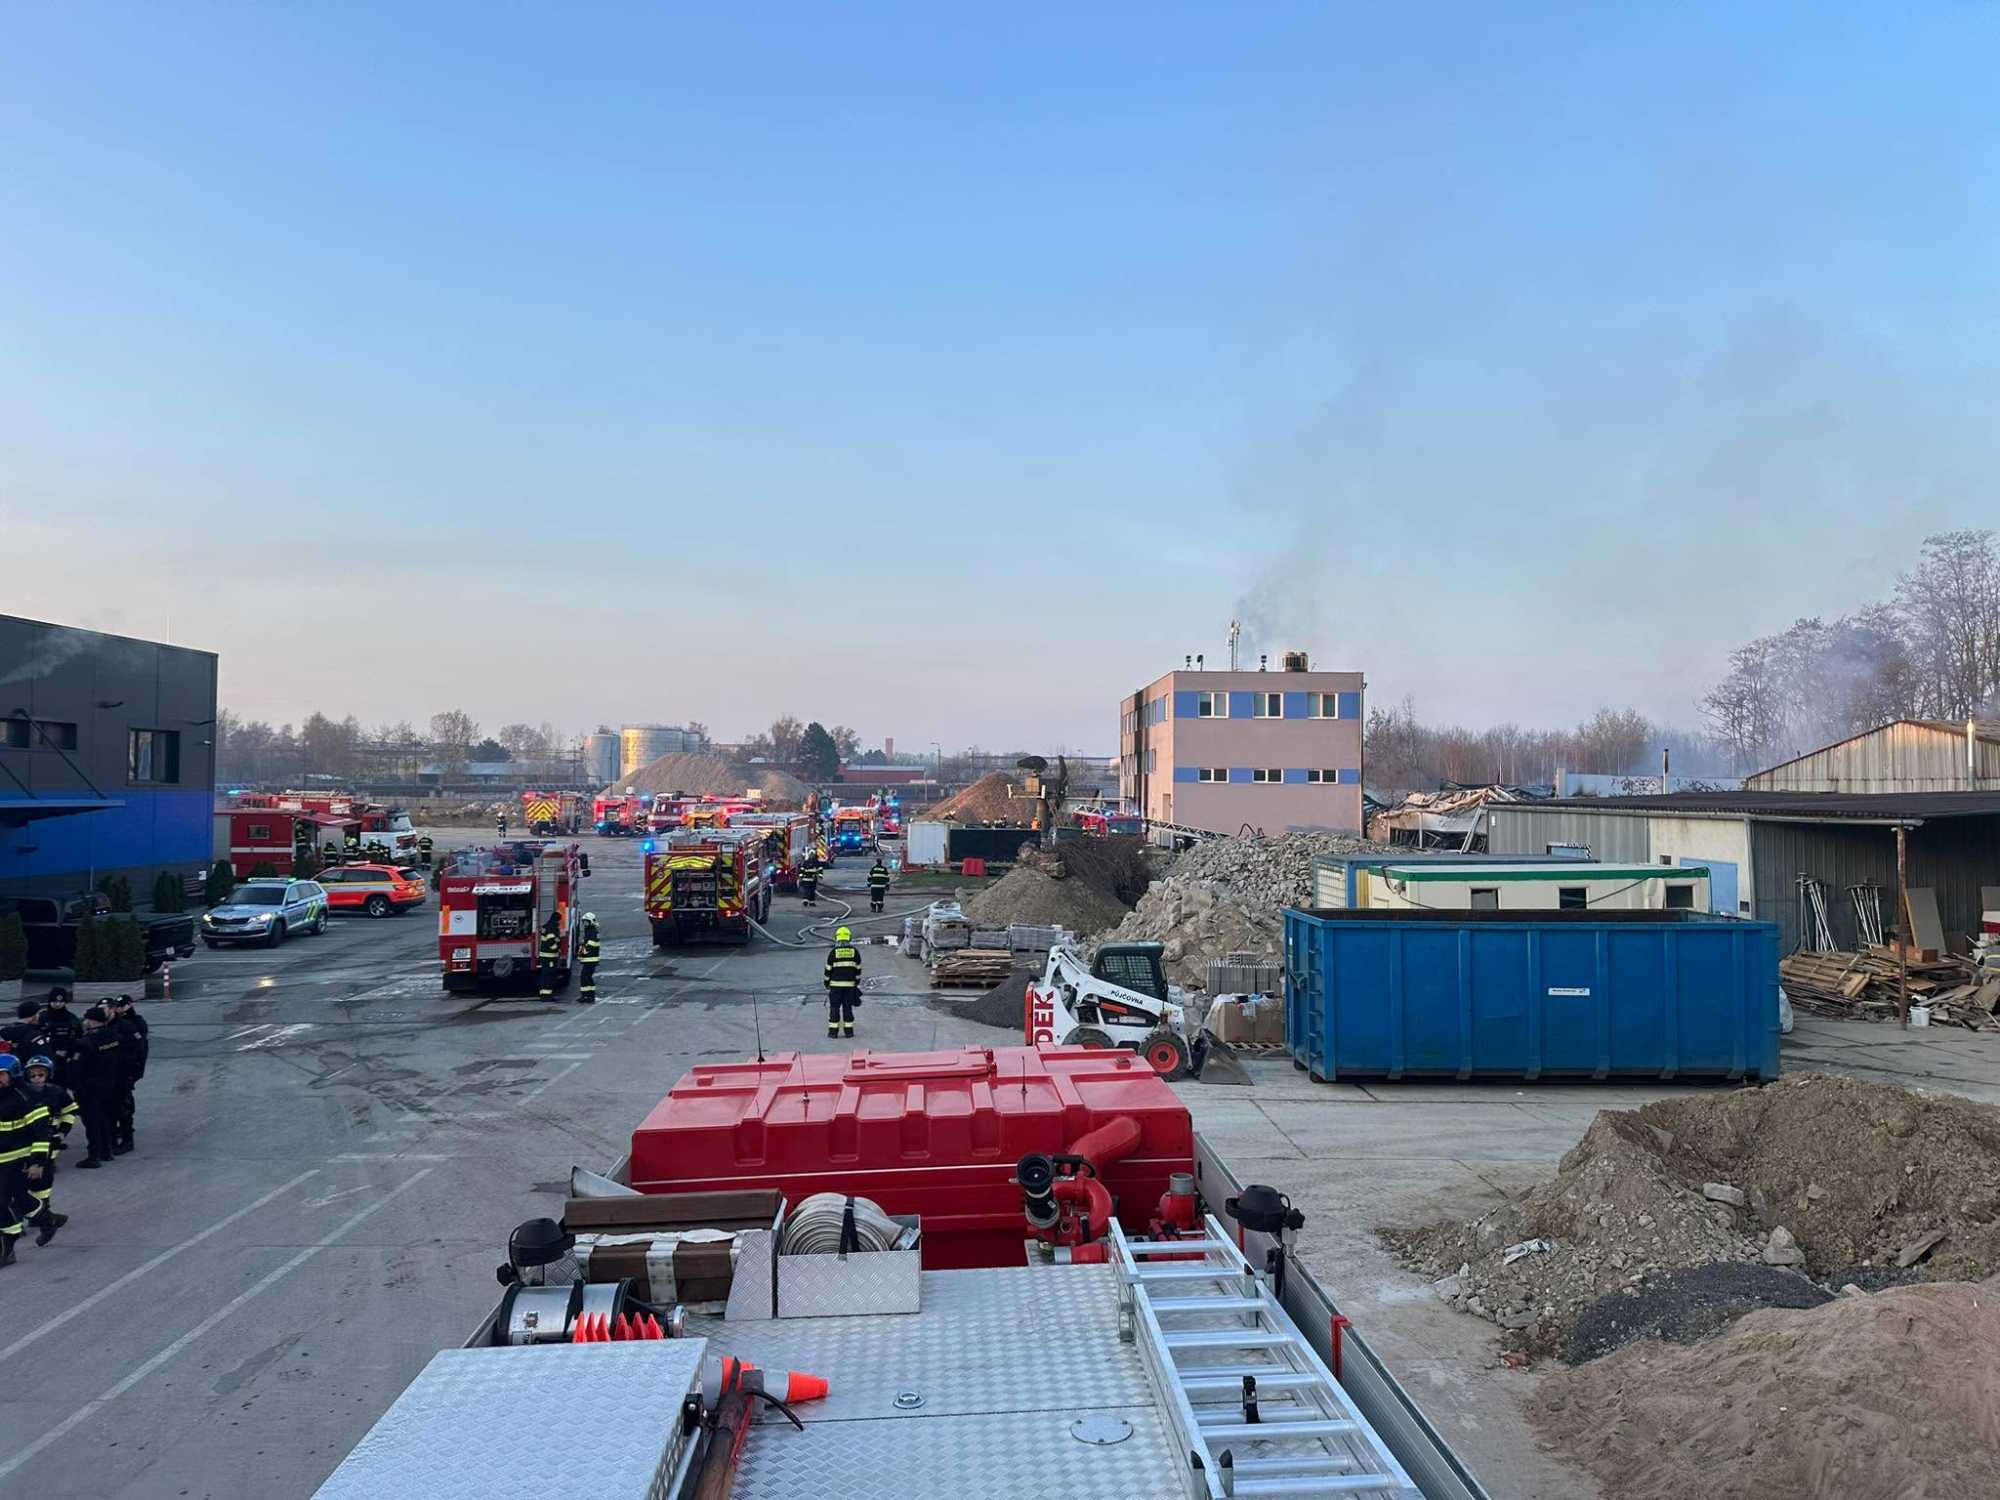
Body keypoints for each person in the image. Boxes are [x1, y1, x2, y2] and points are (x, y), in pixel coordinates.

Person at [0, 1054, 53, 1266]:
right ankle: (48, 1220)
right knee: (20, 1199)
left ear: (13, 1074)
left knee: (2, 1202)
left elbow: (42, 1133)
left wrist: (37, 1162)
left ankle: (8, 1246)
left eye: (1, 1075)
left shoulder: (27, 1097)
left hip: (20, 1159)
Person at [18, 1055, 73, 1245]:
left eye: (40, 1075)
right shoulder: (22, 1095)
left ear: (48, 1075)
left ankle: (42, 1214)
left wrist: (62, 1133)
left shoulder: (57, 1092)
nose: (36, 1079)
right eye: (32, 1075)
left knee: (43, 1183)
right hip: (26, 1145)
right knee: (20, 1185)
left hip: (48, 1144)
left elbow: (69, 1112)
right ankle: (28, 1219)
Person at [71, 1006, 122, 1168]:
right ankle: (106, 1151)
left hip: (89, 1087)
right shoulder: (113, 1036)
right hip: (109, 1084)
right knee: (104, 1118)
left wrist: (75, 1086)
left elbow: (76, 1067)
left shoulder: (85, 1042)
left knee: (92, 1121)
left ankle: (94, 1156)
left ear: (92, 1021)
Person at [108, 994, 148, 1154]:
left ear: (129, 1005)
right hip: (114, 1071)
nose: (119, 1009)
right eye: (117, 1006)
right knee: (114, 1105)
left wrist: (136, 1070)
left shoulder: (135, 1023)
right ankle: (115, 1134)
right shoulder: (113, 1023)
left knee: (124, 1105)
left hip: (128, 1070)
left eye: (122, 1006)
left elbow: (140, 1048)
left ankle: (127, 1139)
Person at [823, 926, 862, 1042]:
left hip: (835, 987)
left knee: (834, 1008)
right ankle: (849, 1032)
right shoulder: (855, 952)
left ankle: (833, 1032)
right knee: (847, 1008)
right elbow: (858, 970)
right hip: (849, 987)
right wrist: (856, 982)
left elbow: (828, 970)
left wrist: (826, 983)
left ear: (837, 938)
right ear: (849, 938)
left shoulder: (833, 953)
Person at [38, 989, 82, 1087]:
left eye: (61, 1002)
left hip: (66, 1058)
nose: (58, 1004)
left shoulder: (71, 1018)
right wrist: (53, 1052)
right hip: (47, 1057)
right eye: (55, 1001)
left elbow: (78, 1037)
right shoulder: (43, 1017)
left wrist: (73, 1054)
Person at [537, 914, 561, 1001]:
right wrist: (557, 949)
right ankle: (547, 996)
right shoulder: (552, 928)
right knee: (549, 975)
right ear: (557, 920)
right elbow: (551, 942)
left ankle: (543, 994)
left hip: (545, 956)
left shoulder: (546, 926)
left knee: (545, 975)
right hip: (550, 956)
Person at [577, 913, 600, 1004]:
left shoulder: (592, 932)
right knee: (587, 977)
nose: (585, 924)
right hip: (590, 959)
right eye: (584, 922)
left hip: (590, 959)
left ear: (591, 922)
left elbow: (590, 945)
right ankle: (588, 995)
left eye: (586, 922)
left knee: (585, 977)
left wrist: (582, 951)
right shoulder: (590, 930)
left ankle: (587, 996)